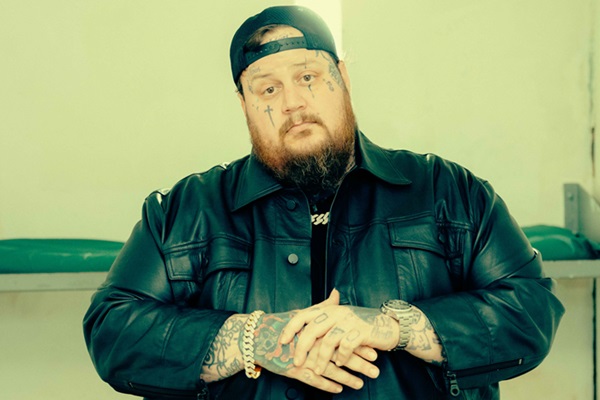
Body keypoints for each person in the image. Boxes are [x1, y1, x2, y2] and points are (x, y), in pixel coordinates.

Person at [83, 5, 564, 400]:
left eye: (308, 77)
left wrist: (395, 326)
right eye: (268, 88)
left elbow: (531, 309)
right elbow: (112, 329)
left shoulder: (448, 191)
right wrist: (254, 339)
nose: (292, 102)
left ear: (343, 77)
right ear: (244, 105)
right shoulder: (186, 210)